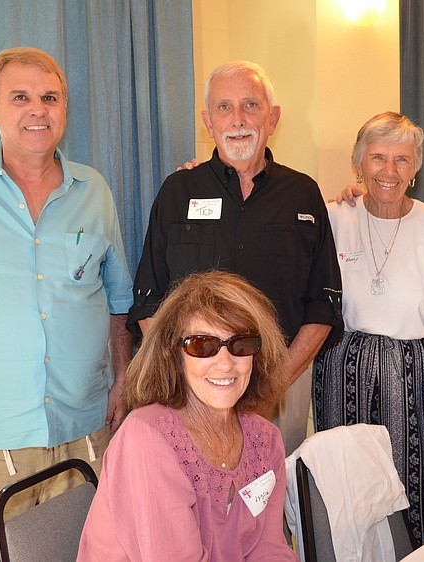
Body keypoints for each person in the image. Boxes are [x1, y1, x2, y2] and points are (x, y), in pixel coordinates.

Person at [0, 47, 134, 561]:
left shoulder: (93, 189)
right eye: (20, 98)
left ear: (65, 107)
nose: (38, 110)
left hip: (84, 427)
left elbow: (117, 297)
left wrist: (122, 377)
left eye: (50, 98)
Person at [128, 60, 343, 456]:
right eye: (224, 108)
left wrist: (272, 385)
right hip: (192, 389)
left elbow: (323, 305)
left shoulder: (303, 194)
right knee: (195, 502)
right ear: (207, 121)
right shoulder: (178, 190)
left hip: (279, 388)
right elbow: (148, 298)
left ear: (273, 117)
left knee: (270, 500)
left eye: (251, 105)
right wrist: (191, 375)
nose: (238, 119)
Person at [313, 112, 424, 545]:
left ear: (415, 168)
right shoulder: (333, 217)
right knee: (346, 481)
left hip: (411, 372)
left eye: (402, 159)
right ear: (358, 164)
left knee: (409, 477)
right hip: (342, 369)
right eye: (377, 158)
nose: (389, 171)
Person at [79, 270, 296, 561]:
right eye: (202, 345)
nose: (225, 364)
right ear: (174, 355)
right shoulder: (147, 439)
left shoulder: (265, 439)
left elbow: (269, 549)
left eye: (240, 344)